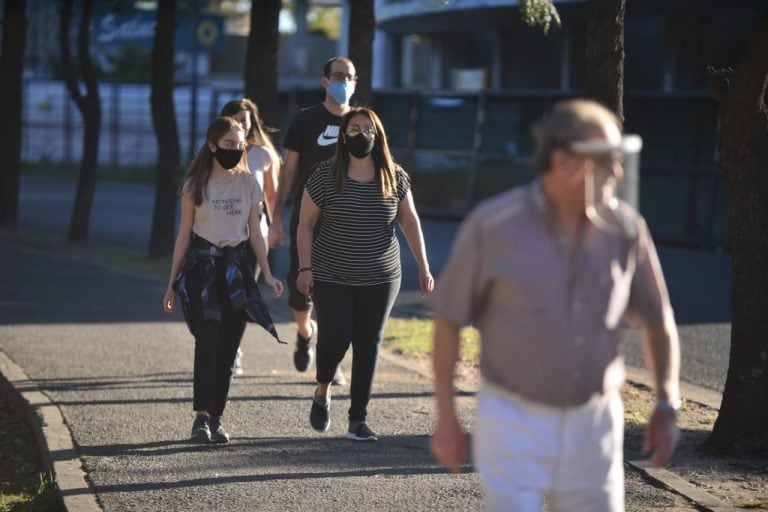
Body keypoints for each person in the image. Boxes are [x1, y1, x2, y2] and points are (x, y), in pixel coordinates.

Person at [429, 99, 681, 511]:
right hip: (512, 418)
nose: (617, 172)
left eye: (619, 159)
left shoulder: (626, 229)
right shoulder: (494, 225)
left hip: (595, 421)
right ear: (562, 162)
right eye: (606, 160)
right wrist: (446, 418)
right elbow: (449, 320)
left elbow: (658, 318)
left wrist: (666, 404)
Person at [296, 106, 434, 441]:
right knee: (335, 337)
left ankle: (358, 419)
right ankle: (323, 388)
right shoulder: (324, 175)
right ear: (343, 136)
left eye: (368, 129)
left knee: (368, 343)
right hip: (331, 273)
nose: (362, 135)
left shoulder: (394, 176)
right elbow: (305, 224)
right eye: (355, 129)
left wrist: (424, 267)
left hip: (382, 275)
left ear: (378, 135)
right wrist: (304, 267)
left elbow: (410, 222)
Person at [162, 116, 284, 444]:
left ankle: (216, 418)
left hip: (237, 272)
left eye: (240, 143)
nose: (236, 149)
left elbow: (256, 234)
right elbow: (183, 237)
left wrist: (268, 273)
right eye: (229, 144)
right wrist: (172, 282)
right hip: (202, 270)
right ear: (213, 145)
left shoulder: (248, 183)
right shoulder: (195, 185)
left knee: (229, 347)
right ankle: (200, 418)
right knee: (208, 342)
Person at [268, 56, 357, 386]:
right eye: (337, 76)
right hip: (307, 218)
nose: (343, 82)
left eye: (349, 77)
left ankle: (331, 361)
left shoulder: (361, 123)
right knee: (300, 291)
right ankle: (305, 332)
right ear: (324, 81)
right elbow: (288, 172)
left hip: (347, 221)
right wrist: (276, 217)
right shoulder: (305, 120)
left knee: (338, 293)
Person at [219, 98, 282, 376]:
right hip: (218, 237)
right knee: (220, 296)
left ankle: (232, 350)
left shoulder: (262, 156)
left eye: (244, 122)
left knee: (241, 296)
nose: (240, 126)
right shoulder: (214, 153)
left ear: (251, 124)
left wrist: (277, 224)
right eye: (234, 121)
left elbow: (271, 197)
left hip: (254, 236)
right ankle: (222, 343)